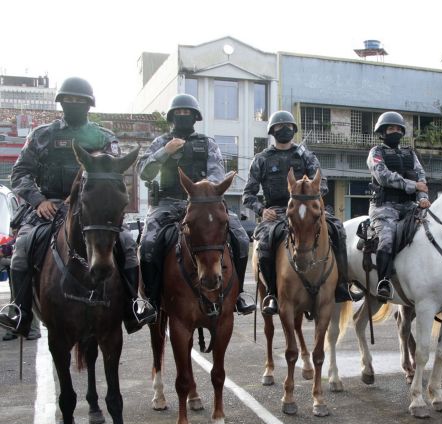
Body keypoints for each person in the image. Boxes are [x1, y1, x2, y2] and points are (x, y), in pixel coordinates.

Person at [0, 77, 156, 337]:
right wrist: (39, 200)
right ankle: (21, 312)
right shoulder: (42, 135)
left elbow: (115, 173)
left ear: (89, 105)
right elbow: (20, 174)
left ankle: (132, 307)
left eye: (80, 101)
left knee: (127, 244)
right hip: (47, 207)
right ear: (61, 103)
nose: (74, 104)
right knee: (22, 247)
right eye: (69, 100)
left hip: (91, 211)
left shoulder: (104, 137)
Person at [137, 94, 255, 317]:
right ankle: (151, 300)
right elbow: (144, 172)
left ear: (195, 117)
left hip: (202, 205)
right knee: (147, 244)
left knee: (240, 237)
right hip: (166, 205)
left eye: (187, 113)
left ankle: (238, 295)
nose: (183, 116)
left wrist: (201, 189)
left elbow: (217, 173)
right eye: (179, 113)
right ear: (172, 117)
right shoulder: (161, 142)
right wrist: (165, 152)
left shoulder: (207, 143)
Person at [243, 110, 356, 316]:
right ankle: (271, 293)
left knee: (338, 230)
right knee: (265, 243)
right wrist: (262, 210)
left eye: (288, 126)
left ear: (294, 130)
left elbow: (323, 185)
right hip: (276, 211)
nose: (284, 129)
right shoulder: (261, 159)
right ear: (272, 130)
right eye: (279, 126)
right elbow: (248, 195)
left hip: (308, 207)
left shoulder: (306, 155)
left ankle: (342, 284)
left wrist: (308, 194)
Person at [367, 111, 429, 302]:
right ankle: (383, 281)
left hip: (410, 206)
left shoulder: (410, 153)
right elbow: (383, 176)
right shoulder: (376, 153)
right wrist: (412, 186)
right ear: (383, 131)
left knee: (433, 232)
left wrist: (423, 197)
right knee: (387, 239)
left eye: (397, 129)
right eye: (390, 128)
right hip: (384, 208)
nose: (394, 131)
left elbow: (421, 177)